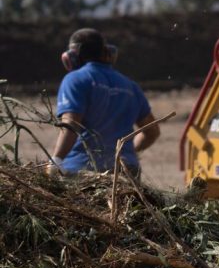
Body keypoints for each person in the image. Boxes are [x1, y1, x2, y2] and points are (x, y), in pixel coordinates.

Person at [48, 28, 160, 176]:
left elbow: (71, 125)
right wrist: (126, 153)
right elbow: (152, 131)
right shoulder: (130, 86)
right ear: (106, 52)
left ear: (72, 57)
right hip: (126, 173)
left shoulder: (75, 80)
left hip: (83, 172)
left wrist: (56, 161)